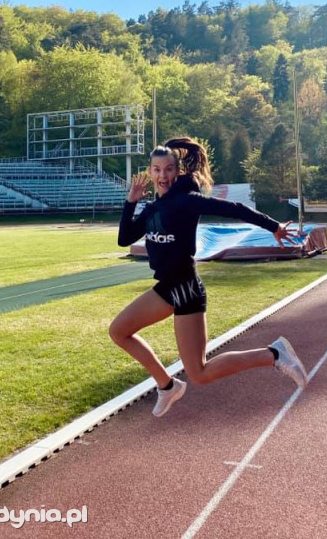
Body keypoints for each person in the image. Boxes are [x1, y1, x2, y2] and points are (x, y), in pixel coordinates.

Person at [110, 137, 308, 418]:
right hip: (166, 288)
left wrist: (273, 226)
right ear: (150, 172)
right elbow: (124, 239)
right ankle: (167, 386)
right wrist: (130, 203)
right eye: (156, 169)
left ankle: (274, 354)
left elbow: (235, 210)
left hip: (186, 289)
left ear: (176, 172)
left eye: (168, 169)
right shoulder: (153, 208)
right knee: (119, 331)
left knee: (200, 373)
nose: (162, 175)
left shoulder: (187, 201)